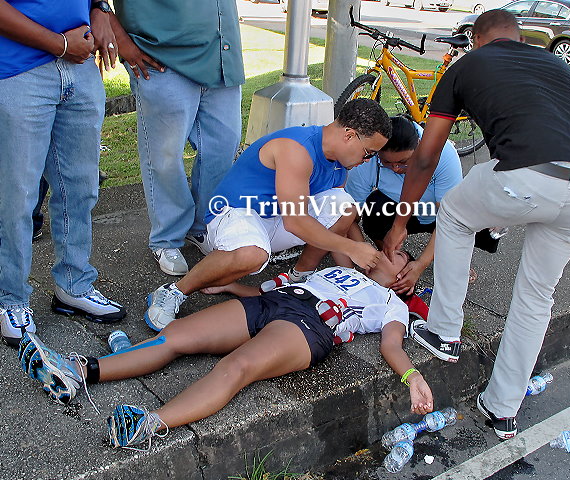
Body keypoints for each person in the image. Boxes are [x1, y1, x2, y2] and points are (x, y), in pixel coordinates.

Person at [383, 10, 570, 439]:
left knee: (453, 213)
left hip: (527, 176)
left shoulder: (467, 64)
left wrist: (400, 222)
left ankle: (443, 330)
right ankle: (502, 408)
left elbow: (426, 156)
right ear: (519, 38)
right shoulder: (556, 64)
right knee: (536, 297)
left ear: (476, 40)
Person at [18, 249, 433, 450]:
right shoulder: (343, 268)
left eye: (397, 256)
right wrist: (232, 287)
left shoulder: (392, 304)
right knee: (175, 335)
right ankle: (78, 372)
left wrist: (412, 378)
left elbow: (391, 345)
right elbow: (273, 288)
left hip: (310, 326)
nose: (386, 252)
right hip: (274, 302)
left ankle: (149, 424)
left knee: (237, 367)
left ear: (403, 275)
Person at [143, 99, 391, 332]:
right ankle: (173, 291)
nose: (367, 161)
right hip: (236, 214)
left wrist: (358, 271)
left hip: (274, 221)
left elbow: (338, 221)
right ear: (349, 135)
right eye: (368, 153)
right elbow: (296, 222)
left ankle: (298, 277)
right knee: (253, 255)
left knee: (345, 207)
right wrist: (352, 248)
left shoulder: (339, 163)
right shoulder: (297, 149)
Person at [0, 0, 126, 347]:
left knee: (80, 188)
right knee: (18, 196)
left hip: (79, 69)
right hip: (18, 70)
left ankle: (74, 285)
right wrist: (61, 44)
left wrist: (100, 8)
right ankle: (11, 299)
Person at [106, 0, 245, 276]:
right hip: (161, 58)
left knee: (223, 147)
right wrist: (121, 40)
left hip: (221, 55)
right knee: (165, 155)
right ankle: (166, 238)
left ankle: (203, 227)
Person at [345, 115, 499, 294]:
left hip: (439, 210)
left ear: (419, 145)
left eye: (403, 162)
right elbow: (348, 214)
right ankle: (389, 253)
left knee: (472, 218)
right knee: (374, 208)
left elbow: (450, 217)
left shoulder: (444, 154)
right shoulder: (367, 160)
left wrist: (421, 264)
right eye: (387, 163)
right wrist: (362, 251)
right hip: (404, 210)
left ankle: (455, 257)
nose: (396, 169)